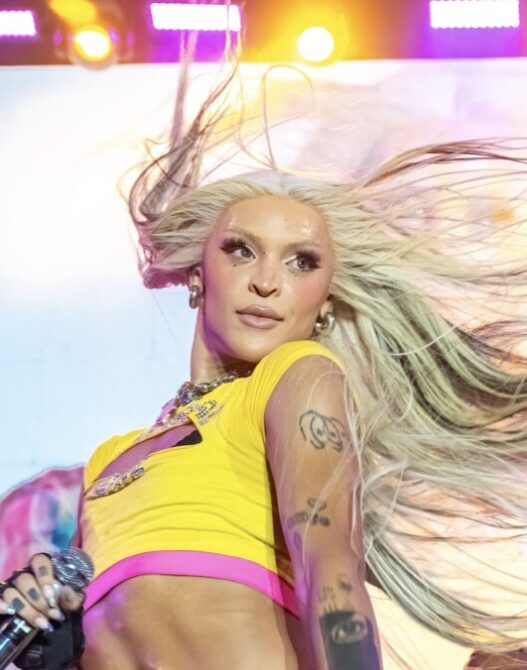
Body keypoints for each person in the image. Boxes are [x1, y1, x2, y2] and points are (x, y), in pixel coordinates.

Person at [2, 53, 527, 670]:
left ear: (324, 302)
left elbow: (330, 568)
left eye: (301, 262)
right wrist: (51, 616)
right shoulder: (109, 460)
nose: (267, 282)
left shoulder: (295, 377)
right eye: (242, 251)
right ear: (198, 275)